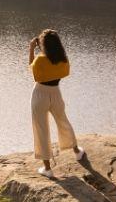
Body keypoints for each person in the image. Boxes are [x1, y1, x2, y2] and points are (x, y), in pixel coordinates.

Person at [29, 29, 86, 178]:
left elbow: (34, 74)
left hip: (40, 94)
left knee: (41, 129)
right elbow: (65, 73)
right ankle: (77, 152)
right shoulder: (62, 59)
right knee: (63, 121)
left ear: (43, 45)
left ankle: (47, 168)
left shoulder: (40, 59)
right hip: (56, 93)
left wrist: (31, 49)